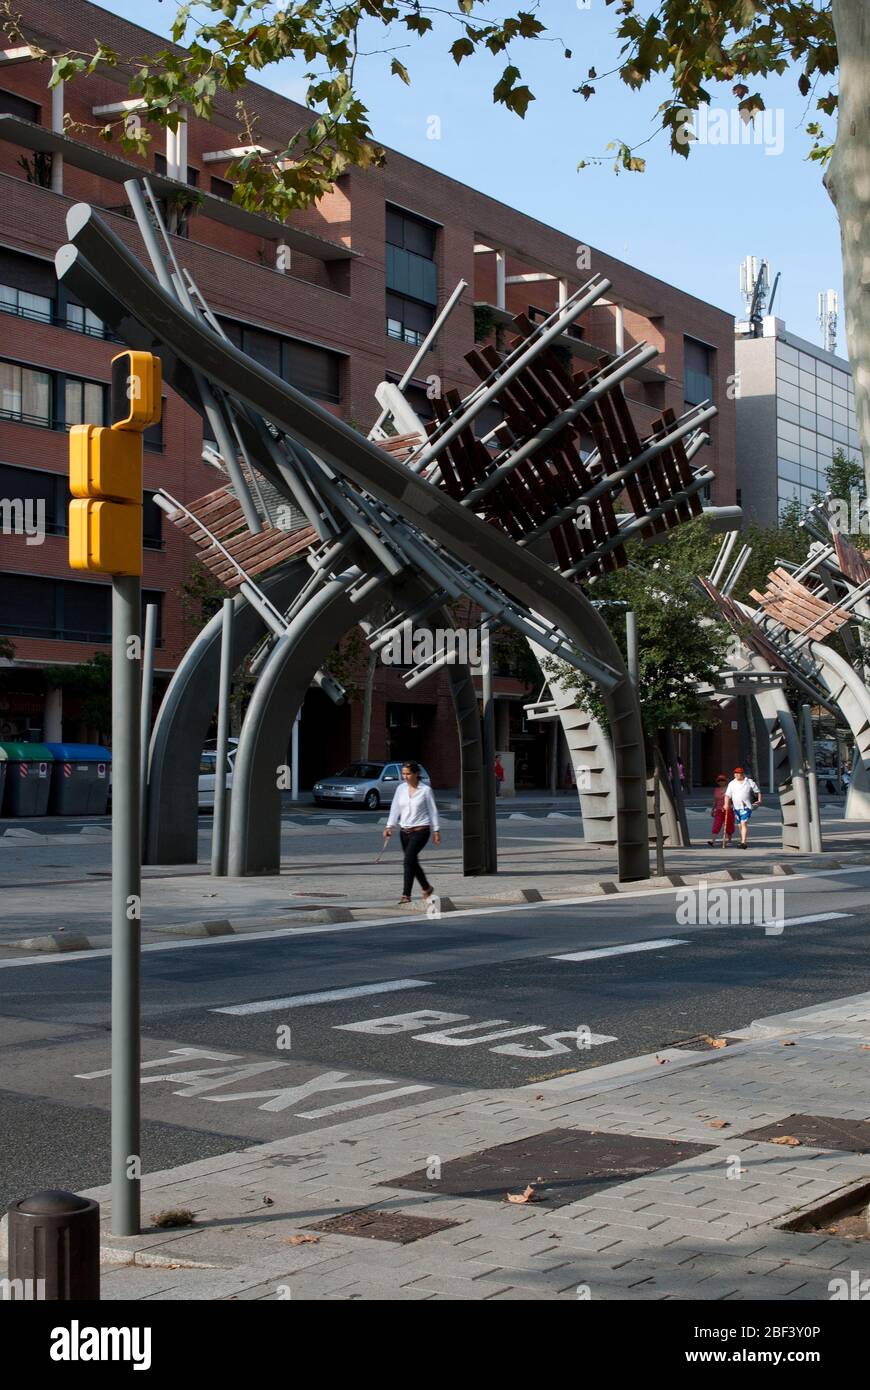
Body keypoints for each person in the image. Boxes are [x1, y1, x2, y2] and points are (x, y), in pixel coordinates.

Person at [383, 760, 441, 905]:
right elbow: (395, 808)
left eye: (408, 774)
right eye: (403, 774)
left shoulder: (425, 790)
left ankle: (405, 895)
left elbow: (433, 810)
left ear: (416, 774)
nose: (405, 777)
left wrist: (436, 830)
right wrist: (389, 826)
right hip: (404, 831)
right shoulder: (400, 789)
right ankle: (427, 887)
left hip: (421, 830)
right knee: (412, 862)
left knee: (408, 860)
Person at [724, 766, 761, 849]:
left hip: (746, 806)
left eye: (738, 773)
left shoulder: (749, 782)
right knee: (740, 825)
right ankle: (741, 841)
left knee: (743, 823)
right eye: (735, 773)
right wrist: (726, 804)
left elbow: (757, 792)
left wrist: (759, 800)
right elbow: (727, 795)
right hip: (736, 807)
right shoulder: (732, 783)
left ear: (742, 774)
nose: (736, 775)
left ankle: (744, 842)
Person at [707, 773, 734, 847]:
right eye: (719, 780)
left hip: (728, 809)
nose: (721, 782)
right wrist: (713, 810)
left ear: (725, 781)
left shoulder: (729, 789)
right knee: (717, 824)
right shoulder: (716, 790)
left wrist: (731, 805)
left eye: (722, 780)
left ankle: (729, 840)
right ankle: (713, 841)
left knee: (729, 825)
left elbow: (733, 799)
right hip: (719, 810)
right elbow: (715, 800)